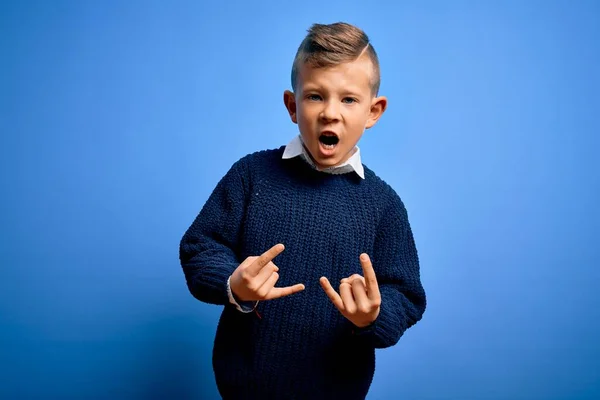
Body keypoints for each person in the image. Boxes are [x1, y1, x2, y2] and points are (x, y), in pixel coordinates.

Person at [179, 21, 426, 399]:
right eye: (315, 96)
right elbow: (200, 247)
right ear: (292, 106)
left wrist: (372, 316)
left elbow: (405, 295)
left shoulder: (385, 206)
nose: (330, 113)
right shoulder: (251, 174)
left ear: (373, 111)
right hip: (243, 386)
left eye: (348, 99)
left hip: (336, 389)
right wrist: (233, 283)